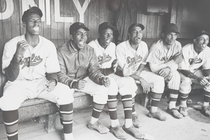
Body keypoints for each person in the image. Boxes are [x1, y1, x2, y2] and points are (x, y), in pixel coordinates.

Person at [0, 7, 74, 140]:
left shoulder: (48, 45)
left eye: (38, 21)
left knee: (66, 92)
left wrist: (53, 82)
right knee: (6, 102)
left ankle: (69, 136)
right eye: (31, 21)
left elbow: (52, 72)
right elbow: (10, 76)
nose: (36, 24)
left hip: (40, 83)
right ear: (24, 24)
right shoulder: (11, 44)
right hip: (18, 83)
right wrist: (17, 57)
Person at [88, 22, 146, 139]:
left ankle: (128, 124)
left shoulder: (113, 46)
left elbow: (114, 68)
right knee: (112, 86)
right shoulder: (91, 46)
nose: (109, 37)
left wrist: (122, 71)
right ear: (99, 34)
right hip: (96, 75)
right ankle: (115, 125)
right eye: (106, 34)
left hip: (110, 73)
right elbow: (91, 70)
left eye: (111, 34)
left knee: (128, 81)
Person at [57, 22, 113, 136]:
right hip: (67, 82)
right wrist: (72, 83)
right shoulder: (61, 51)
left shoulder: (90, 50)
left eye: (85, 34)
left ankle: (93, 123)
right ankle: (67, 132)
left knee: (102, 90)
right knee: (64, 96)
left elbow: (94, 71)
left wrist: (102, 79)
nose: (83, 37)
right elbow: (59, 74)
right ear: (71, 36)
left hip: (83, 80)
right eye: (79, 34)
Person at [116, 23, 166, 122]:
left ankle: (153, 111)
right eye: (135, 31)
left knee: (159, 80)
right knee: (129, 83)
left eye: (140, 32)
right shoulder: (121, 47)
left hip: (138, 72)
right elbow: (123, 71)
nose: (138, 34)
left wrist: (139, 73)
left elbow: (143, 62)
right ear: (129, 34)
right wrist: (140, 79)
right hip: (124, 74)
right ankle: (133, 114)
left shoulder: (143, 45)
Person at [147, 23, 185, 119]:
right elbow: (153, 68)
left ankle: (172, 106)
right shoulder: (156, 47)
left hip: (167, 70)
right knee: (162, 77)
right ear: (163, 35)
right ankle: (153, 106)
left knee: (176, 74)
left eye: (175, 35)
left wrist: (168, 68)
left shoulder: (177, 45)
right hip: (153, 71)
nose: (173, 38)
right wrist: (172, 64)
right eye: (170, 34)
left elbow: (179, 63)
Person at [178, 30, 210, 117]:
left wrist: (207, 77)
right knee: (186, 80)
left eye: (207, 39)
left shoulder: (208, 50)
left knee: (209, 80)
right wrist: (198, 78)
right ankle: (182, 105)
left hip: (195, 70)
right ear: (195, 40)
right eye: (202, 39)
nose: (205, 42)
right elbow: (184, 70)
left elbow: (206, 69)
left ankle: (205, 106)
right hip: (182, 70)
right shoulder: (186, 49)